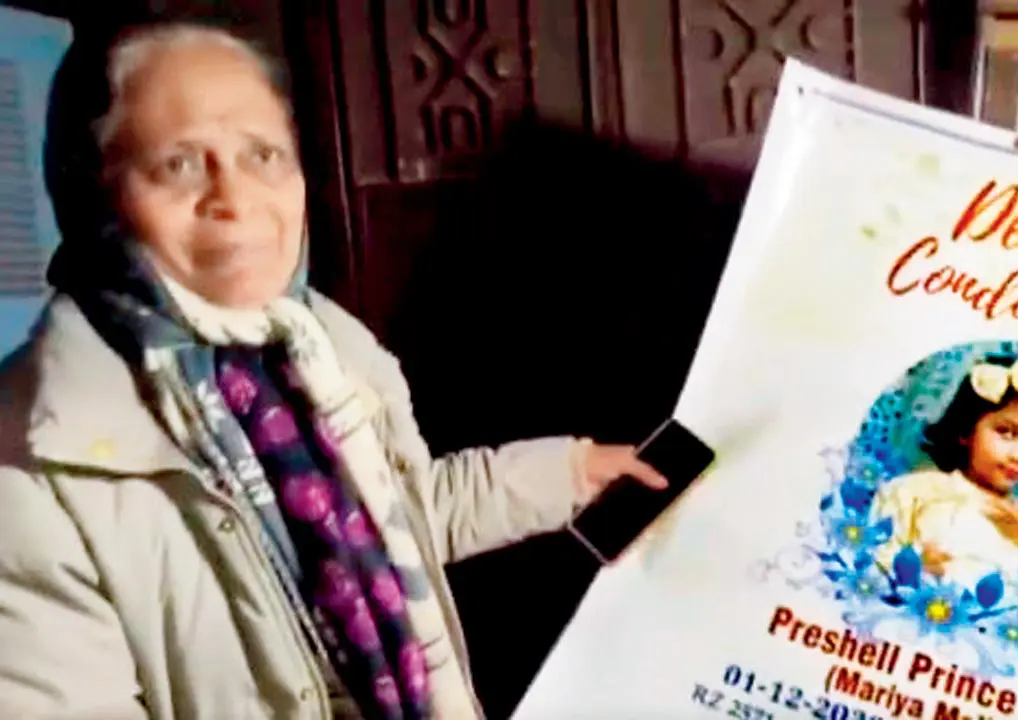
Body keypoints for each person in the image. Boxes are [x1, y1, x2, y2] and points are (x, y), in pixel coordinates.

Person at [0, 22, 669, 720]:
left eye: (263, 154)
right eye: (180, 164)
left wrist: (574, 475)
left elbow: (402, 516)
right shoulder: (32, 468)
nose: (235, 196)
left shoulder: (321, 348)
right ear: (96, 195)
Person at [871, 352, 1018, 590]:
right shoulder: (913, 492)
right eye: (1006, 433)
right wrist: (915, 568)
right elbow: (873, 562)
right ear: (966, 429)